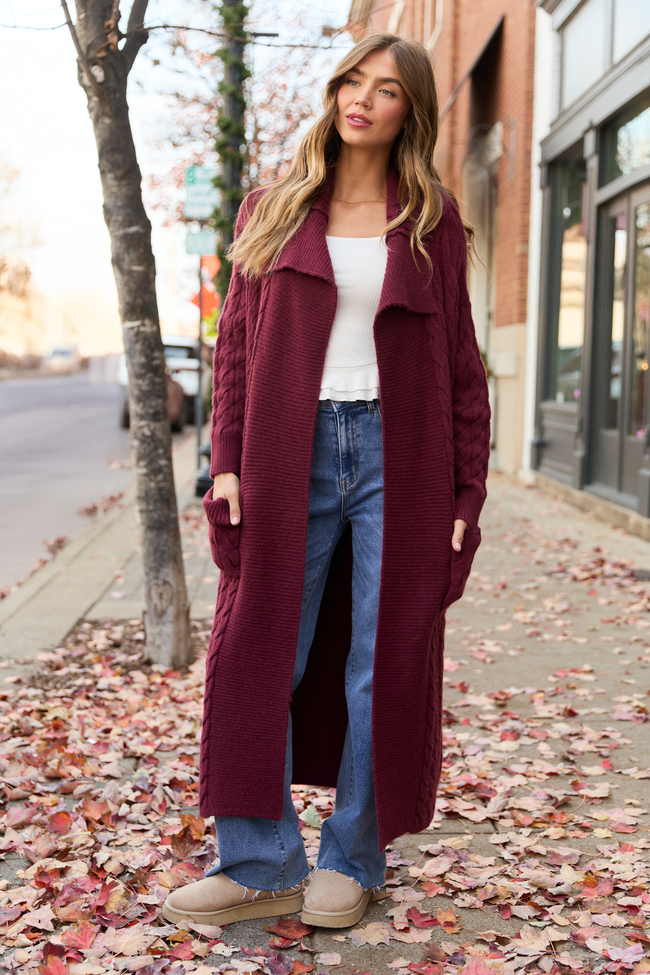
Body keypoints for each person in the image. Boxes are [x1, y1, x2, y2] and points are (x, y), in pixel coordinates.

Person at [163, 32, 490, 931]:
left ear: (409, 112)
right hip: (287, 453)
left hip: (401, 458)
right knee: (255, 649)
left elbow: (462, 366)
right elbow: (235, 349)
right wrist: (227, 462)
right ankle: (259, 861)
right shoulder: (272, 207)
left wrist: (468, 493)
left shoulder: (430, 219)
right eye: (353, 80)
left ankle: (353, 855)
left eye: (385, 89)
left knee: (383, 659)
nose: (361, 98)